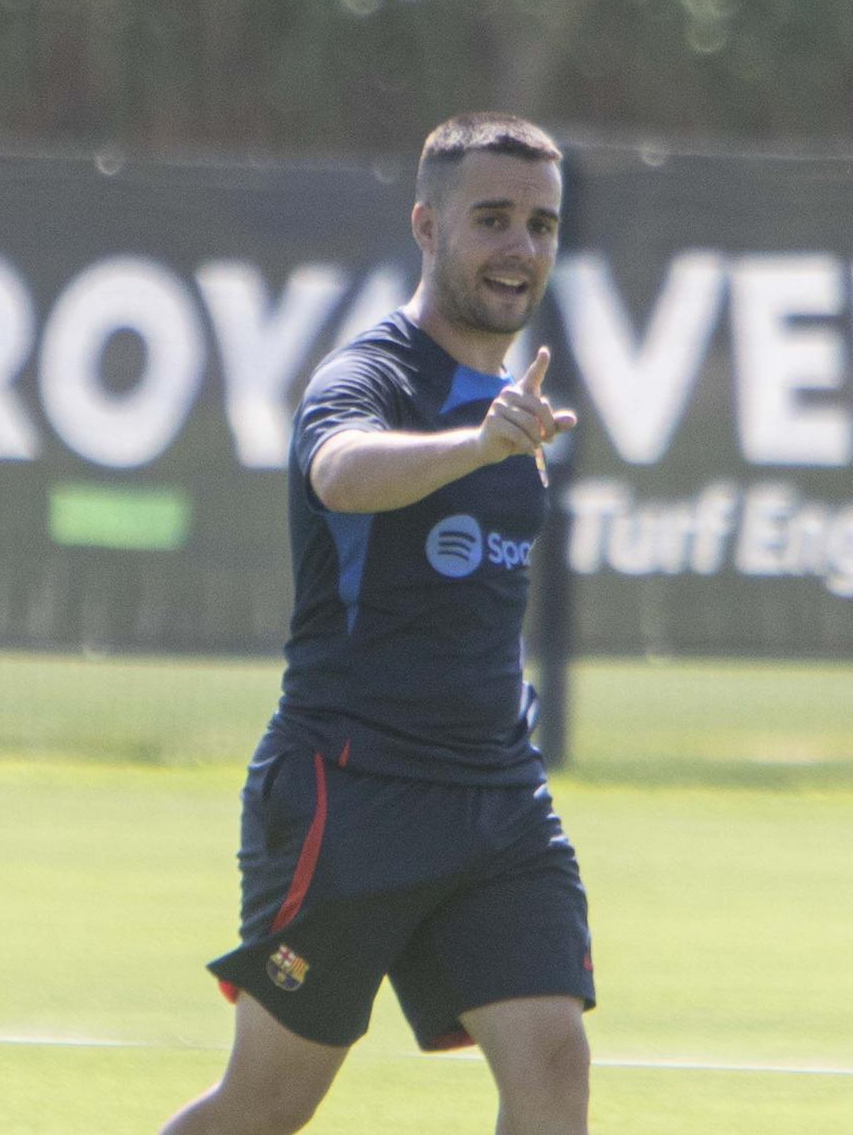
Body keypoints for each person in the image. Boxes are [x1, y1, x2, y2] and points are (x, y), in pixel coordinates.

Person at [161, 113, 594, 1135]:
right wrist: (470, 445)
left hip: (496, 797)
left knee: (551, 1058)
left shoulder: (505, 397)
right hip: (349, 790)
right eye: (490, 218)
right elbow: (339, 471)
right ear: (425, 226)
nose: (518, 247)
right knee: (265, 1103)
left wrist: (488, 437)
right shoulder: (371, 373)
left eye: (540, 224)